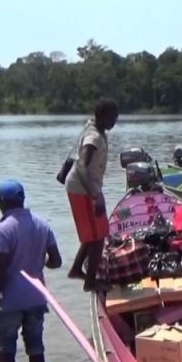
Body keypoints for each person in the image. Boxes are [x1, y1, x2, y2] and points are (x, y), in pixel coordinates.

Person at [0, 181, 62, 362]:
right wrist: (39, 263)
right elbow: (56, 262)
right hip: (36, 298)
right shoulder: (42, 224)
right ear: (22, 200)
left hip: (10, 302)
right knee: (36, 347)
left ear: (1, 202)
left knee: (6, 350)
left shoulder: (3, 230)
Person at [65, 99, 119, 292]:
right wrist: (95, 196)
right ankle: (90, 282)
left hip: (84, 187)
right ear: (103, 117)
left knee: (93, 234)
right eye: (113, 117)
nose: (115, 121)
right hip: (83, 189)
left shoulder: (94, 128)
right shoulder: (94, 137)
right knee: (99, 236)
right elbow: (81, 166)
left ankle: (76, 269)